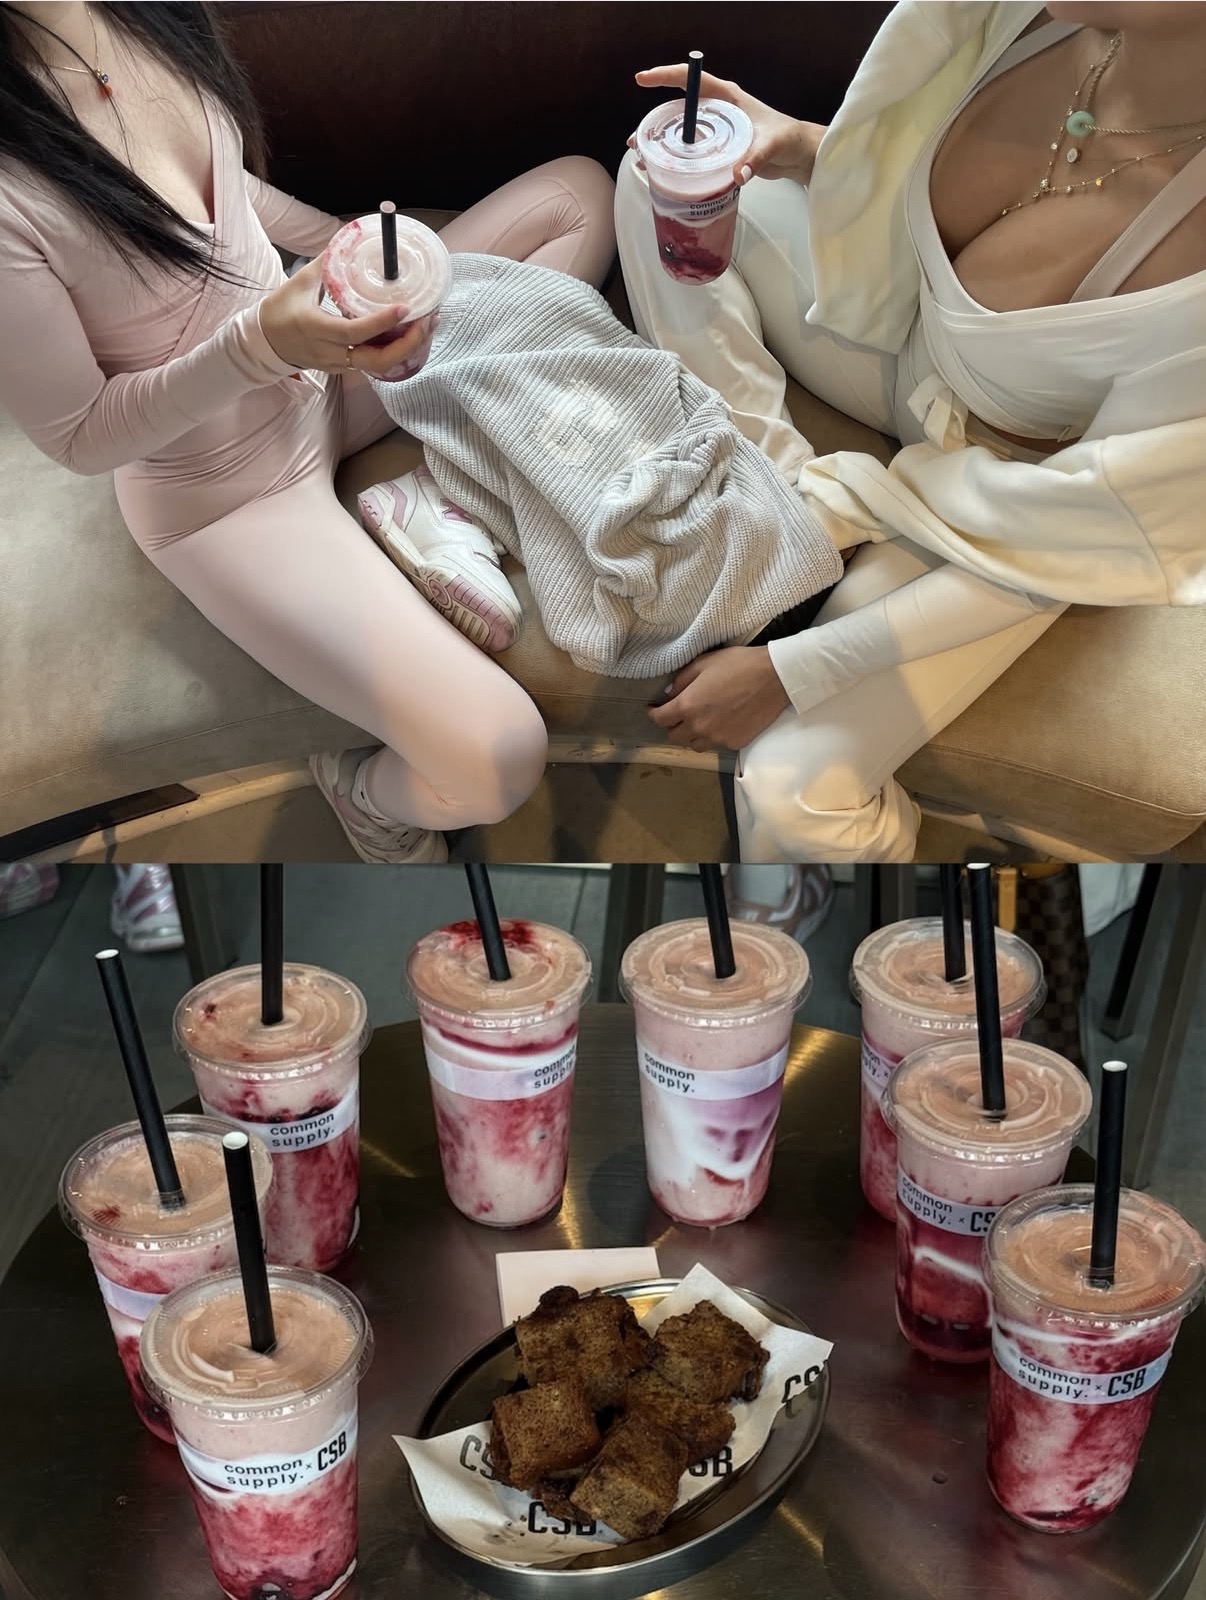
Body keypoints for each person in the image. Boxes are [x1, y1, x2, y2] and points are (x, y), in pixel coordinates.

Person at [0, 2, 616, 862]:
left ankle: (447, 487)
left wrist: (343, 254)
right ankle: (366, 799)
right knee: (497, 760)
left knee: (577, 198)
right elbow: (83, 438)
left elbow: (226, 186)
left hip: (324, 360)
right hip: (226, 494)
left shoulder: (136, 12)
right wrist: (263, 344)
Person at [616, 2, 1206, 862]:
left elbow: (1092, 534)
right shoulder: (1029, 15)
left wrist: (793, 669)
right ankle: (780, 495)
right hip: (900, 333)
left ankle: (900, 928)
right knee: (664, 178)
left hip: (1013, 513)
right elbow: (910, 184)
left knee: (791, 795)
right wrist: (803, 147)